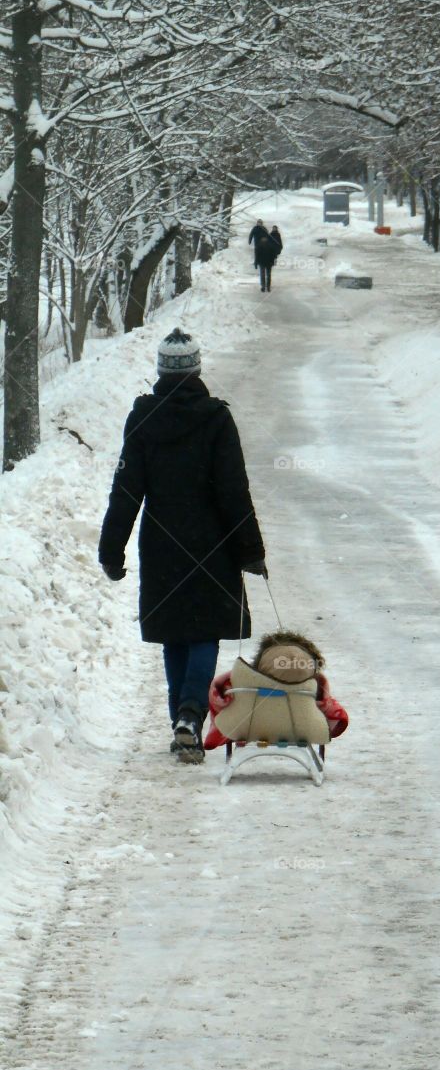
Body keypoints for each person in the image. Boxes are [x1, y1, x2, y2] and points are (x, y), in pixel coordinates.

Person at [98, 327, 267, 763]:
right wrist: (250, 549)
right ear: (196, 369)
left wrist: (111, 547)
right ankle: (190, 715)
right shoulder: (216, 418)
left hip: (161, 544)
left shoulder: (142, 418)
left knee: (175, 632)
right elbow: (234, 490)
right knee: (204, 631)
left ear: (160, 370)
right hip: (213, 544)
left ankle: (183, 718)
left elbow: (126, 489)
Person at [204, 629, 348, 751]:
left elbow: (221, 700)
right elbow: (337, 717)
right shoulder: (318, 686)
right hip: (303, 729)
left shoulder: (237, 682)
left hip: (248, 728)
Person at [255, 225, 283, 292]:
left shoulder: (270, 245)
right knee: (263, 275)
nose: (264, 239)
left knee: (268, 275)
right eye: (263, 238)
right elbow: (257, 255)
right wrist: (256, 262)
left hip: (268, 262)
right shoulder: (259, 246)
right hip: (262, 262)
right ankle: (263, 286)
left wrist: (274, 259)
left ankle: (268, 286)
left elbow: (273, 254)